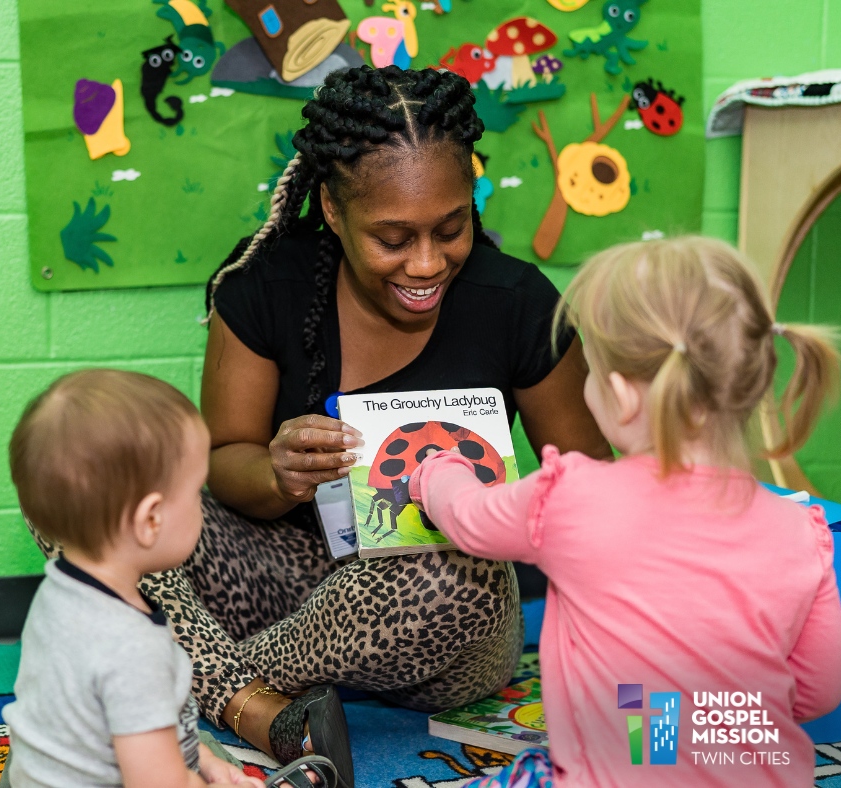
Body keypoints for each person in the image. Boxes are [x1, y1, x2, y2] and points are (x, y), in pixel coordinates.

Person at [183, 64, 607, 767]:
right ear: (330, 208)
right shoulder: (268, 284)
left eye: (452, 227)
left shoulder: (518, 303)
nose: (427, 263)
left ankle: (195, 671)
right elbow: (224, 463)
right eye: (393, 238)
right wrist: (275, 470)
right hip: (285, 576)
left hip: (437, 615)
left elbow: (598, 496)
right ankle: (254, 707)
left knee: (460, 570)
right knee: (91, 480)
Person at [408, 237, 841, 787]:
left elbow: (468, 519)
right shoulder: (799, 530)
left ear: (621, 393)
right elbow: (817, 689)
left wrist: (437, 470)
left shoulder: (571, 497)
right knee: (652, 712)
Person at [5, 369, 340, 788]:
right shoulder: (134, 650)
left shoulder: (59, 590)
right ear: (150, 520)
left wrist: (204, 762)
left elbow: (123, 721)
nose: (203, 509)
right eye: (194, 494)